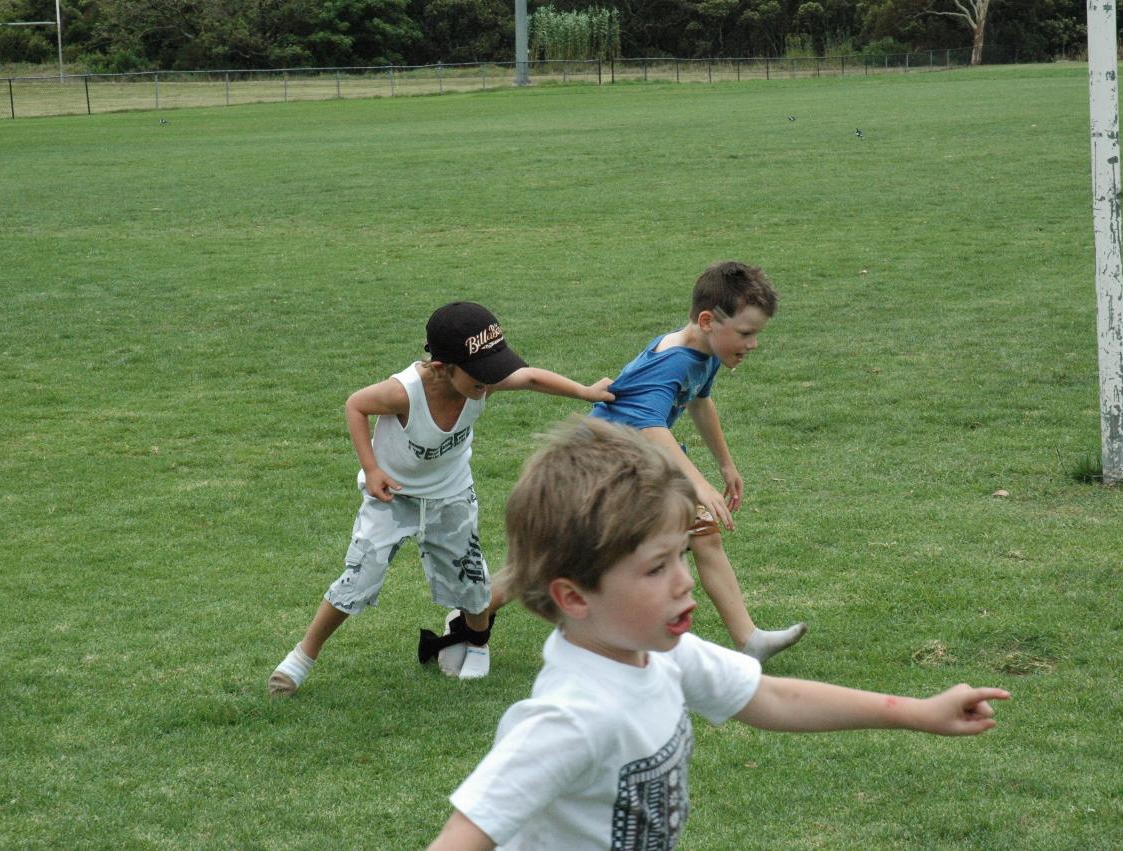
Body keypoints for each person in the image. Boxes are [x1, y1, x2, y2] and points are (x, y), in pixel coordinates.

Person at [427, 418, 1010, 850]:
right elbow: (463, 837)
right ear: (574, 596)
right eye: (656, 569)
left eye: (682, 556)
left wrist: (917, 712)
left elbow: (768, 697)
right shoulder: (568, 719)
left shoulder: (662, 655)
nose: (686, 583)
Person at [268, 302, 614, 696]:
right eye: (480, 374)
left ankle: (479, 646)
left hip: (450, 495)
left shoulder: (482, 380)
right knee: (359, 578)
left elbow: (531, 378)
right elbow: (355, 405)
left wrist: (586, 392)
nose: (489, 382)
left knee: (472, 577)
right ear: (441, 368)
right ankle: (302, 657)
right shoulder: (404, 392)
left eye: (492, 372)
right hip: (393, 498)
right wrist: (373, 469)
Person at [588, 260, 805, 662]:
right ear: (708, 320)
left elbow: (700, 402)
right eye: (745, 333)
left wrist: (725, 464)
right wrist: (699, 483)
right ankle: (475, 614)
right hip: (604, 467)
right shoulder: (675, 361)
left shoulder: (704, 352)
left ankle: (749, 640)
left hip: (641, 462)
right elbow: (651, 425)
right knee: (572, 562)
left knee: (704, 535)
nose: (753, 344)